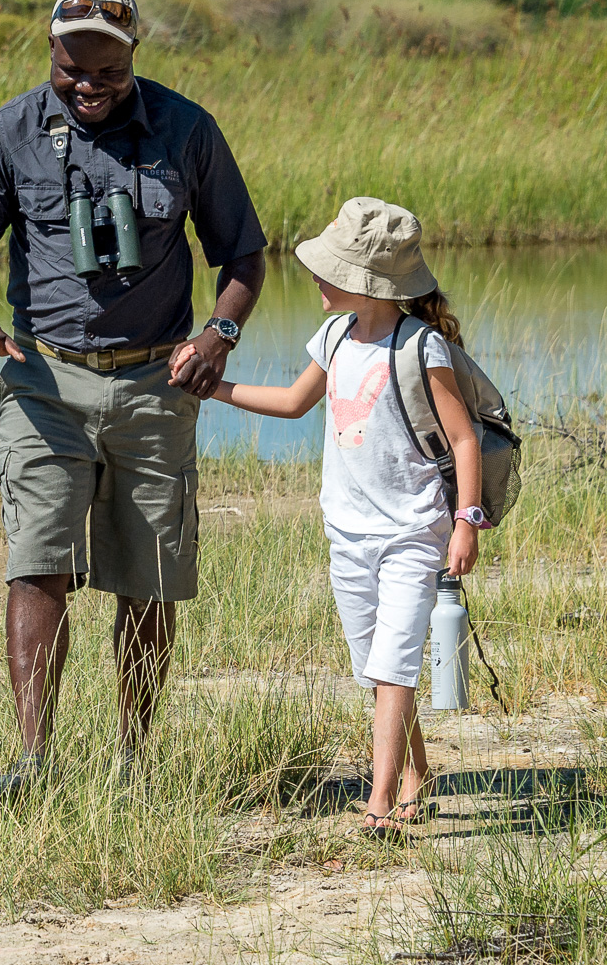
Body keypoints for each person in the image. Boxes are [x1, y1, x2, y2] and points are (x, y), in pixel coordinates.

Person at [0, 0, 268, 806]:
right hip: (43, 378)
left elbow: (244, 255)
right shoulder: (8, 131)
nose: (87, 84)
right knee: (36, 565)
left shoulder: (187, 130)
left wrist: (217, 335)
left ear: (132, 54)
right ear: (50, 48)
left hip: (159, 379)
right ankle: (35, 762)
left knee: (148, 578)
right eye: (70, 67)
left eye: (106, 72)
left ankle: (133, 762)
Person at [191, 197, 481, 839]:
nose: (317, 277)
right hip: (346, 534)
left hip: (412, 530)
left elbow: (464, 441)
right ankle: (417, 777)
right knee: (376, 668)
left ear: (367, 281)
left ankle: (380, 805)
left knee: (393, 664)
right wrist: (213, 389)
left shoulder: (419, 347)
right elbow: (295, 403)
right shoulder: (335, 336)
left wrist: (466, 522)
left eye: (330, 268)